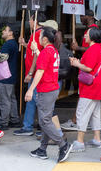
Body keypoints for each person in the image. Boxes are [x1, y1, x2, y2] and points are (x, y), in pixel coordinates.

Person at [25, 26, 72, 163]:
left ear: (45, 39)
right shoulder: (52, 51)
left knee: (44, 121)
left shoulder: (47, 52)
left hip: (46, 90)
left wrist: (30, 89)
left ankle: (62, 145)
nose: (38, 38)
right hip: (52, 88)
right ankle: (42, 149)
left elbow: (39, 71)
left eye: (40, 36)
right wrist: (36, 50)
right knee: (46, 120)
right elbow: (44, 62)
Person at [70, 26, 101, 152]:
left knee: (82, 112)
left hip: (90, 87)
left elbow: (88, 68)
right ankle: (97, 139)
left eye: (87, 34)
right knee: (95, 114)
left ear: (93, 36)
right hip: (97, 85)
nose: (85, 35)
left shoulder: (93, 49)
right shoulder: (98, 48)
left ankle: (79, 142)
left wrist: (76, 63)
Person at [15, 12, 45, 136]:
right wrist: (25, 44)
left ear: (36, 21)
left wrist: (31, 72)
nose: (29, 22)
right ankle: (31, 126)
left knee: (35, 100)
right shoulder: (37, 34)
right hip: (34, 72)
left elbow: (37, 56)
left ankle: (30, 127)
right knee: (34, 100)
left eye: (31, 19)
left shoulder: (38, 34)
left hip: (35, 73)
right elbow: (34, 50)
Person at [0, 23, 21, 130]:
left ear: (10, 33)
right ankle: (14, 119)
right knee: (11, 99)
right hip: (11, 75)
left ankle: (3, 122)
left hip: (5, 76)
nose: (3, 32)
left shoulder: (8, 44)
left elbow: (2, 58)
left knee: (4, 100)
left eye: (5, 30)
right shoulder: (14, 43)